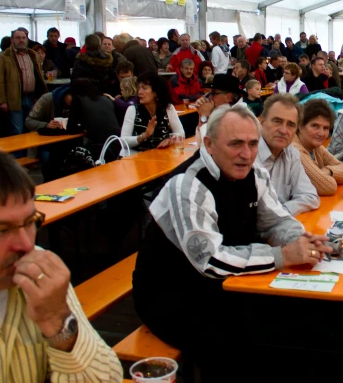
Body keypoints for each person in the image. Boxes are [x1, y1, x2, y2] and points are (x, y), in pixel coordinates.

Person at [133, 103, 331, 381]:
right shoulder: (188, 184)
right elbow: (210, 260)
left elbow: (276, 220)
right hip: (173, 292)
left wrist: (302, 240)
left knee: (297, 321)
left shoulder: (255, 172)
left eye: (252, 144)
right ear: (210, 144)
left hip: (225, 284)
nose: (246, 154)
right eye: (235, 144)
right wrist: (283, 255)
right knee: (234, 346)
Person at [0, 151, 123, 381]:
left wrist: (58, 322)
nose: (27, 244)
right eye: (2, 230)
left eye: (30, 222)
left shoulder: (42, 273)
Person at [256, 94, 320, 216]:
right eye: (277, 121)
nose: (284, 130)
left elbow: (310, 196)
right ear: (262, 122)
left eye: (290, 125)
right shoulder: (248, 154)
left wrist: (282, 212)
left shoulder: (291, 154)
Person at [0, 28, 47, 139]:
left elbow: (37, 75)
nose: (21, 40)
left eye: (23, 38)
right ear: (12, 40)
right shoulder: (3, 57)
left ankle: (30, 155)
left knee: (31, 128)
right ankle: (18, 156)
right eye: (18, 38)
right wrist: (2, 101)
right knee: (17, 130)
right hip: (15, 98)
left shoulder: (33, 55)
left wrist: (40, 94)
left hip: (32, 97)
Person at [291, 99, 343, 195]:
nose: (321, 133)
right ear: (301, 126)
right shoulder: (295, 150)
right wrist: (328, 175)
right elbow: (328, 187)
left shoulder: (316, 147)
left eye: (326, 128)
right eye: (315, 126)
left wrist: (328, 171)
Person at [121, 71, 184, 152]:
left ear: (156, 92)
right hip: (137, 158)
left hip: (161, 157)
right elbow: (123, 142)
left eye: (144, 88)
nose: (139, 92)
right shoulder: (132, 110)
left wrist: (169, 140)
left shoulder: (168, 108)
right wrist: (144, 136)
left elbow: (181, 133)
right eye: (139, 88)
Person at [66, 78, 122, 160]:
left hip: (98, 145)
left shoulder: (78, 100)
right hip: (117, 142)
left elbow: (71, 129)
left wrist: (83, 129)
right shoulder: (106, 99)